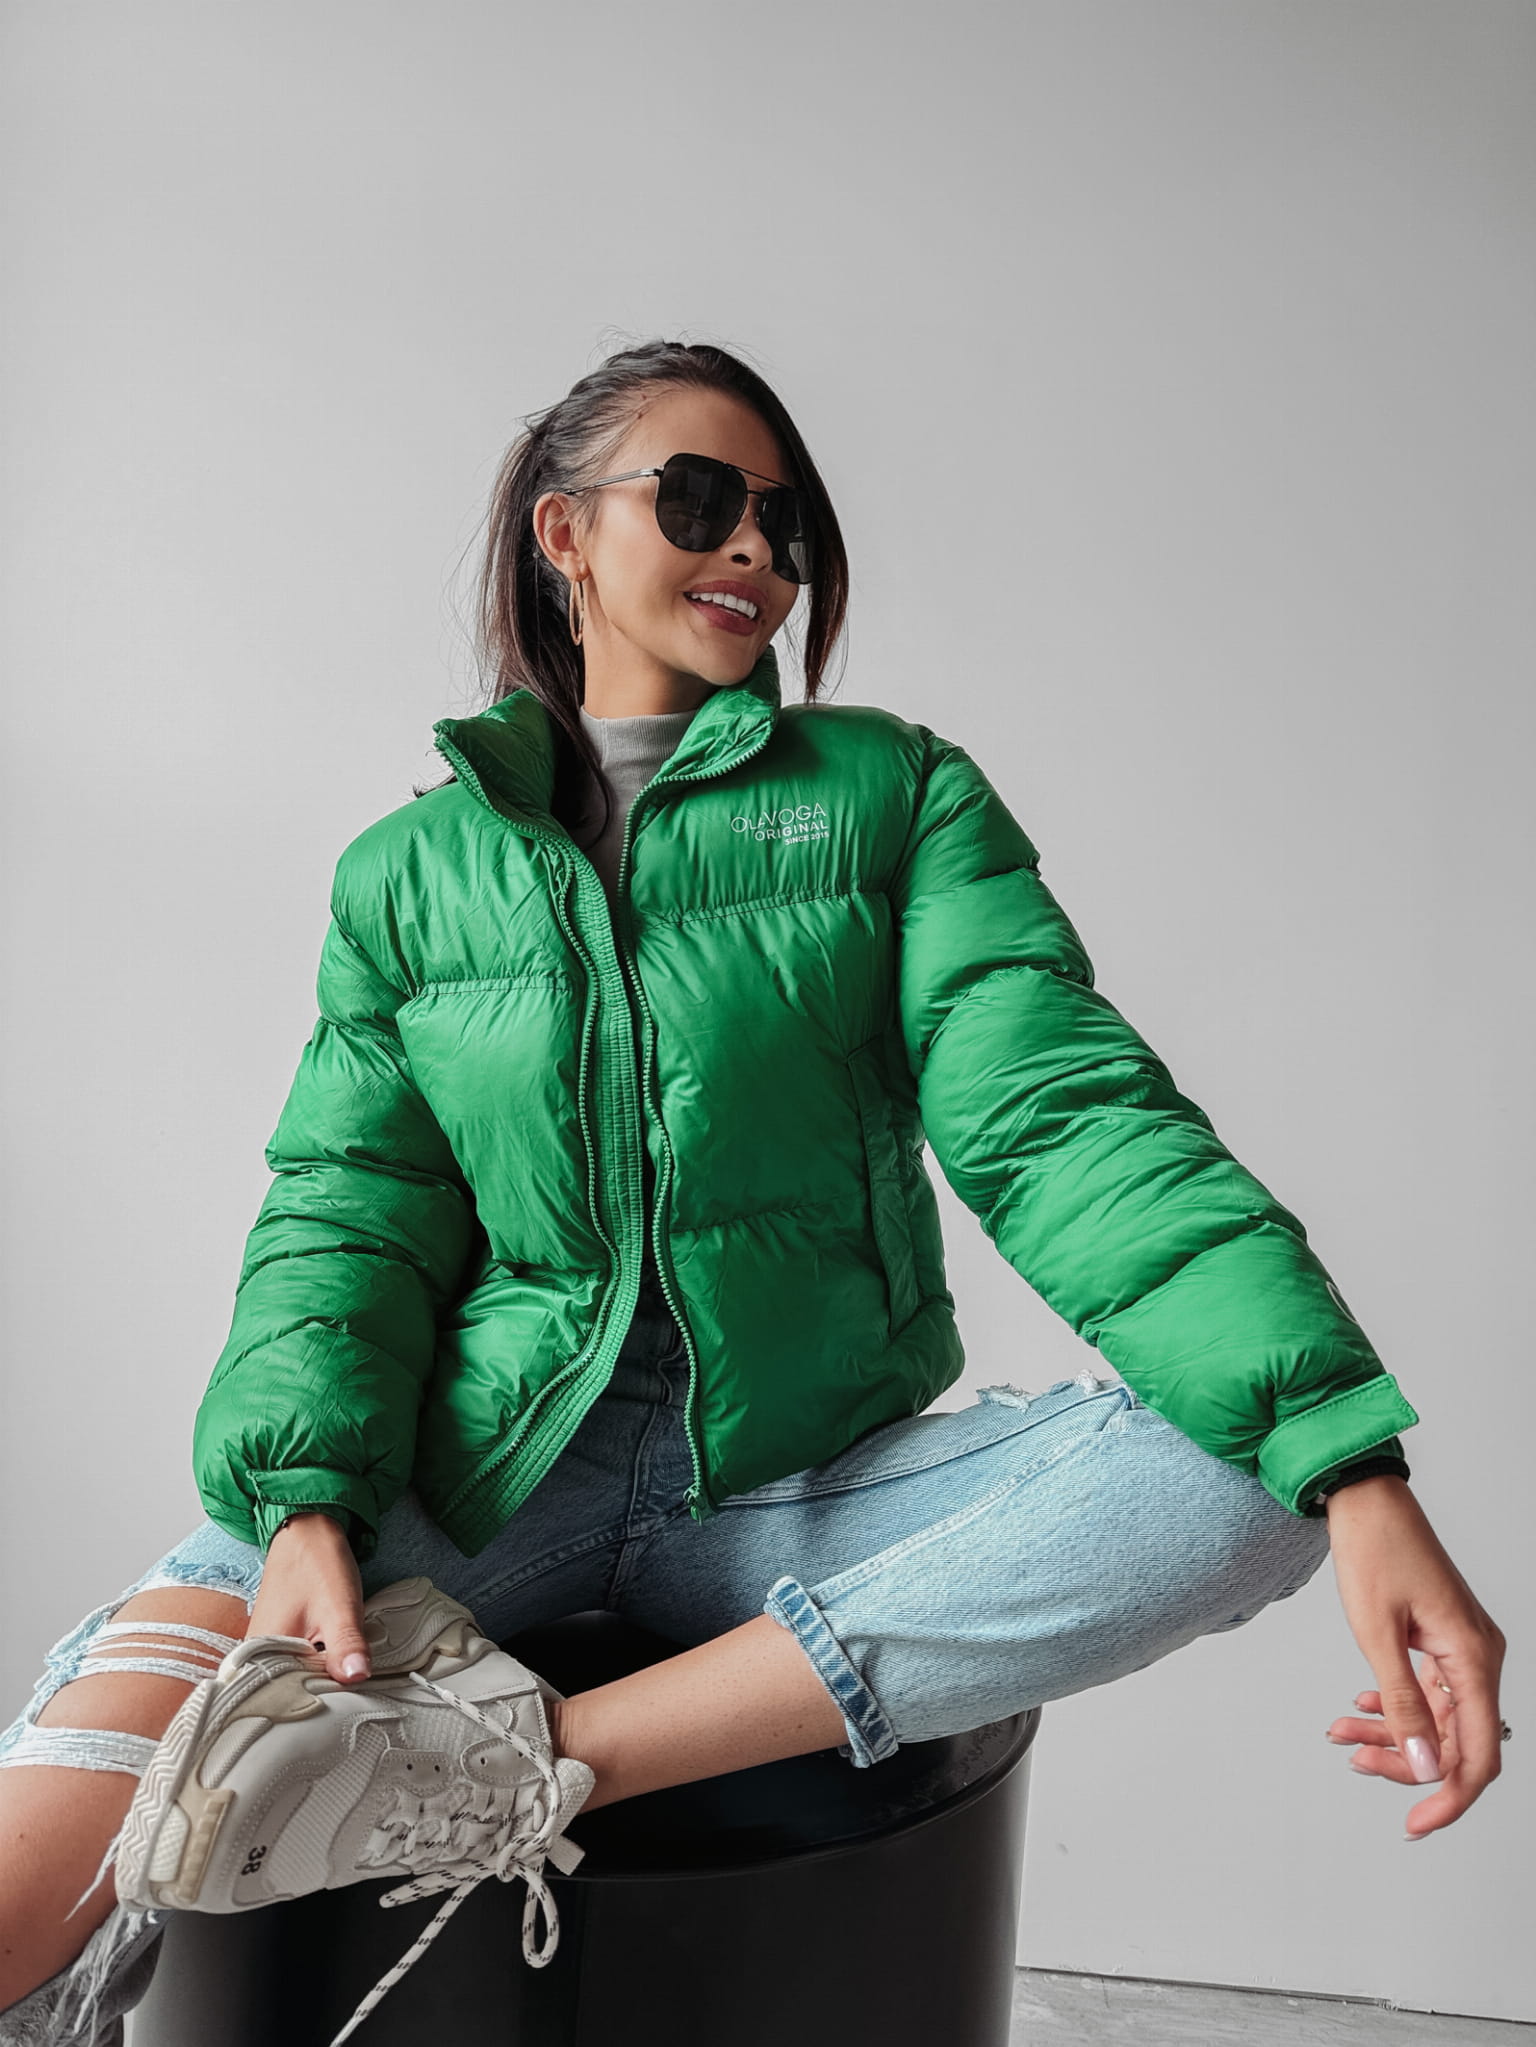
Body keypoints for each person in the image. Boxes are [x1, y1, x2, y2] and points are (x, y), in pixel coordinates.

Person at [0, 338, 1508, 2047]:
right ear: (564, 534)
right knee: (44, 1849)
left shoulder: (893, 796)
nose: (754, 551)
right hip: (488, 1472)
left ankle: (502, 1766)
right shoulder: (409, 873)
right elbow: (350, 1211)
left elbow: (1066, 1122)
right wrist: (305, 1509)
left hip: (795, 1480)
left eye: (786, 524)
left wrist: (1353, 1466)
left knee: (1250, 1483)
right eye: (704, 499)